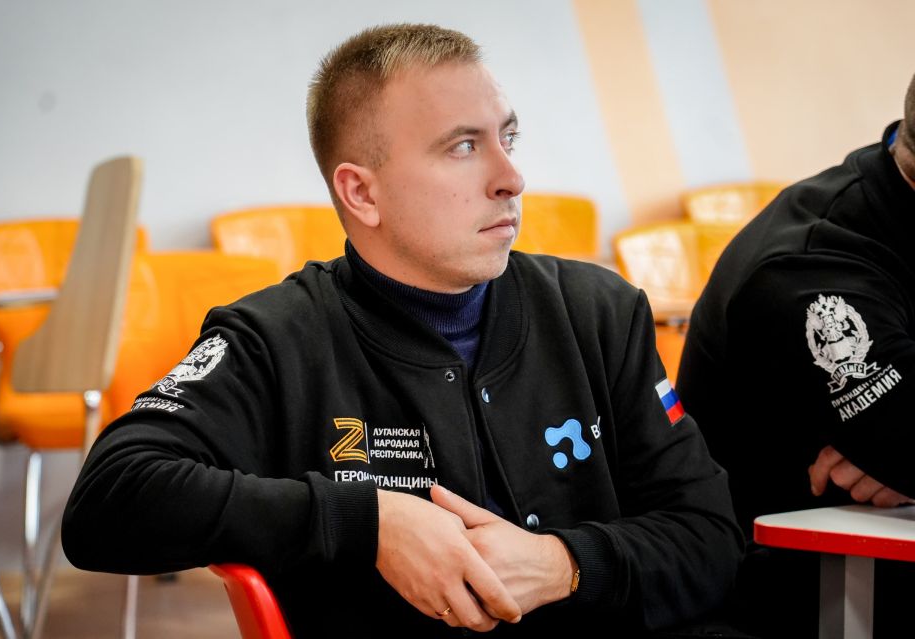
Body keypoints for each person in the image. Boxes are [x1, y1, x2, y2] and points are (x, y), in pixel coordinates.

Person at [63, 24, 741, 637]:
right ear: (362, 193)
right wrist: (370, 521)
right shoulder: (274, 340)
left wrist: (563, 564)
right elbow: (108, 499)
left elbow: (712, 538)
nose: (511, 178)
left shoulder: (599, 312)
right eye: (464, 147)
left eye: (507, 138)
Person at [677, 74, 915, 637]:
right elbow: (908, 437)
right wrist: (903, 456)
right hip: (789, 587)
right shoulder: (812, 263)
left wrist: (901, 466)